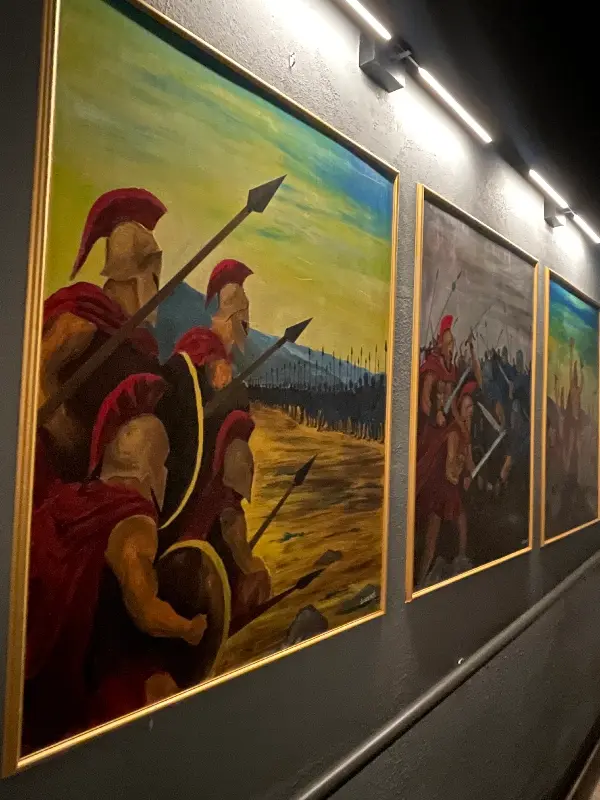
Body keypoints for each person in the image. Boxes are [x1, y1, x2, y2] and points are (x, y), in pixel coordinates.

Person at [24, 374, 207, 751]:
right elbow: (145, 610)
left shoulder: (72, 497)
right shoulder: (134, 520)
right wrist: (188, 628)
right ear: (150, 470)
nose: (166, 473)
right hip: (64, 677)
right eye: (164, 462)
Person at [37, 188, 166, 491]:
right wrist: (67, 435)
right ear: (133, 274)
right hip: (62, 474)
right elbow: (35, 380)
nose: (156, 285)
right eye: (152, 273)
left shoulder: (136, 339)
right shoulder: (80, 320)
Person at [415, 382, 477, 586]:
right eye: (467, 407)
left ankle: (461, 556)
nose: (471, 410)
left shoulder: (466, 433)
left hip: (450, 486)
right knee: (432, 537)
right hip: (442, 486)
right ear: (460, 410)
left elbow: (469, 462)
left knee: (461, 519)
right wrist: (458, 473)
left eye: (472, 406)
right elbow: (450, 468)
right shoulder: (453, 432)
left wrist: (470, 473)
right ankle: (421, 579)